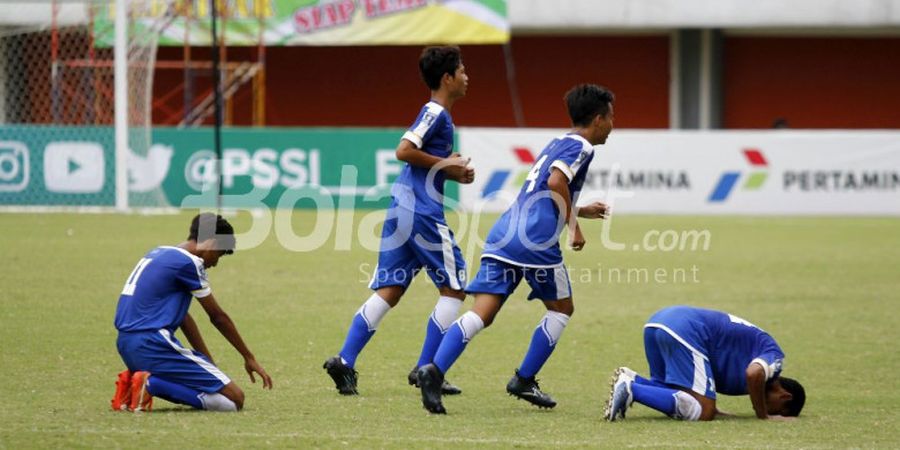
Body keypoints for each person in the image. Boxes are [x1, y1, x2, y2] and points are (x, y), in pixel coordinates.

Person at [417, 84, 615, 414]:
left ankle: (433, 371)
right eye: (611, 117)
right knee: (562, 309)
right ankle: (524, 379)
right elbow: (554, 183)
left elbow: (543, 191)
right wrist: (574, 227)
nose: (612, 124)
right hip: (535, 242)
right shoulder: (582, 147)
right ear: (597, 119)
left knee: (482, 313)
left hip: (505, 234)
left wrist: (581, 211)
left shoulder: (558, 142)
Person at [323, 45, 474, 396]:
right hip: (422, 211)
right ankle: (428, 369)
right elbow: (404, 150)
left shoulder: (437, 115)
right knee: (454, 288)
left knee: (389, 290)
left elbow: (419, 163)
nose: (468, 77)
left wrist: (450, 170)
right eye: (463, 71)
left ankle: (345, 362)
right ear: (448, 78)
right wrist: (443, 165)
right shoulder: (436, 111)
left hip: (401, 206)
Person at [111, 213, 273, 412]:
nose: (215, 263)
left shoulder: (159, 253)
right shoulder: (189, 263)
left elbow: (184, 319)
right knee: (235, 400)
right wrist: (249, 357)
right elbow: (218, 317)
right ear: (212, 243)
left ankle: (132, 383)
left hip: (127, 344)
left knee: (208, 388)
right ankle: (151, 383)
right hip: (153, 343)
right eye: (219, 254)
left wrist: (208, 362)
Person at [604, 305, 805, 421]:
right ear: (785, 396)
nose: (771, 411)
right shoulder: (775, 357)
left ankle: (633, 380)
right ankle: (632, 390)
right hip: (686, 329)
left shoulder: (740, 377)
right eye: (777, 411)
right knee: (704, 411)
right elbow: (754, 374)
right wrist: (764, 417)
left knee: (671, 389)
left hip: (658, 322)